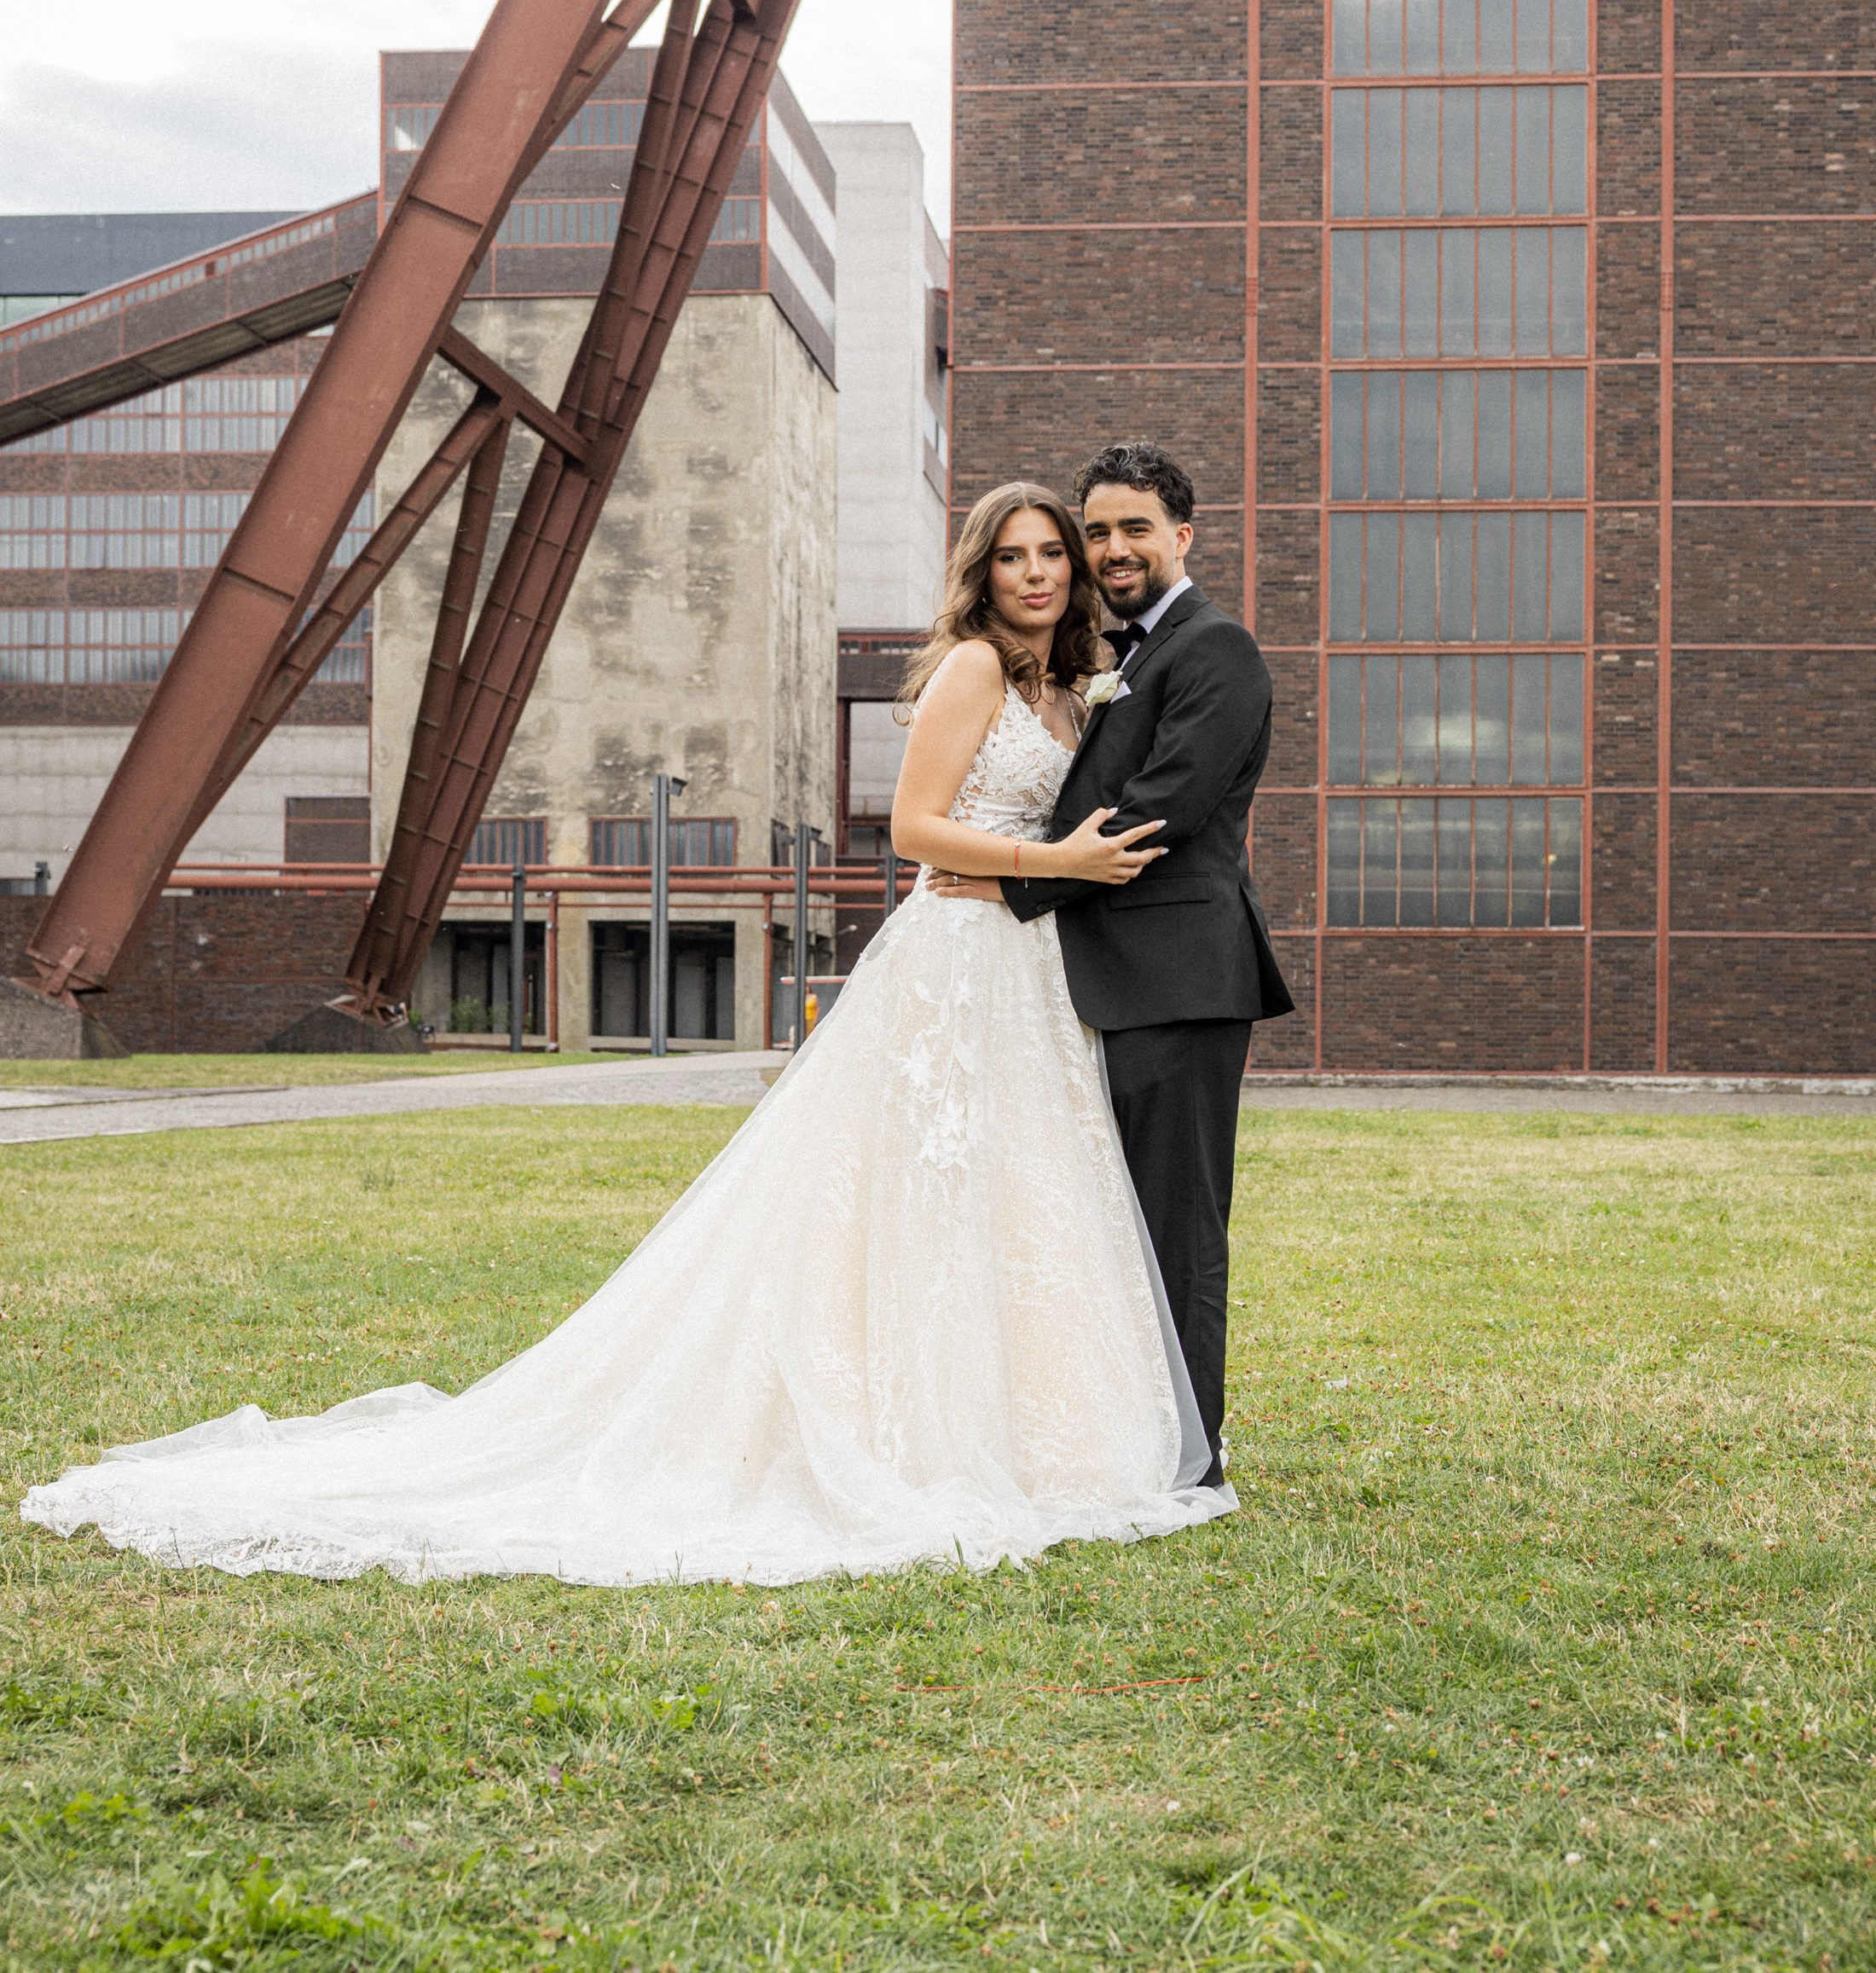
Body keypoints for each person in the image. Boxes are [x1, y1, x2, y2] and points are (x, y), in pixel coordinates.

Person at [21, 482, 1233, 1589]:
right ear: (981, 572)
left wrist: (1049, 872)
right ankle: (900, 1431)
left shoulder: (1070, 690)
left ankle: (1027, 1432)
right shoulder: (970, 669)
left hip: (1027, 971)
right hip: (952, 966)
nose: (1037, 573)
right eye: (1013, 557)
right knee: (911, 1193)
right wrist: (1044, 862)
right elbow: (916, 828)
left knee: (1013, 1199)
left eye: (1052, 555)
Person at [931, 442, 1292, 1490]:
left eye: (1135, 528)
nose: (1112, 548)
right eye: (1096, 532)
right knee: (1103, 1223)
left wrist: (1015, 882)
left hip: (1178, 978)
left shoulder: (1215, 649)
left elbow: (1161, 809)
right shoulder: (1104, 657)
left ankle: (1191, 1458)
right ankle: (1120, 1432)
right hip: (1095, 980)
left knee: (1178, 1228)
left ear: (1182, 535)